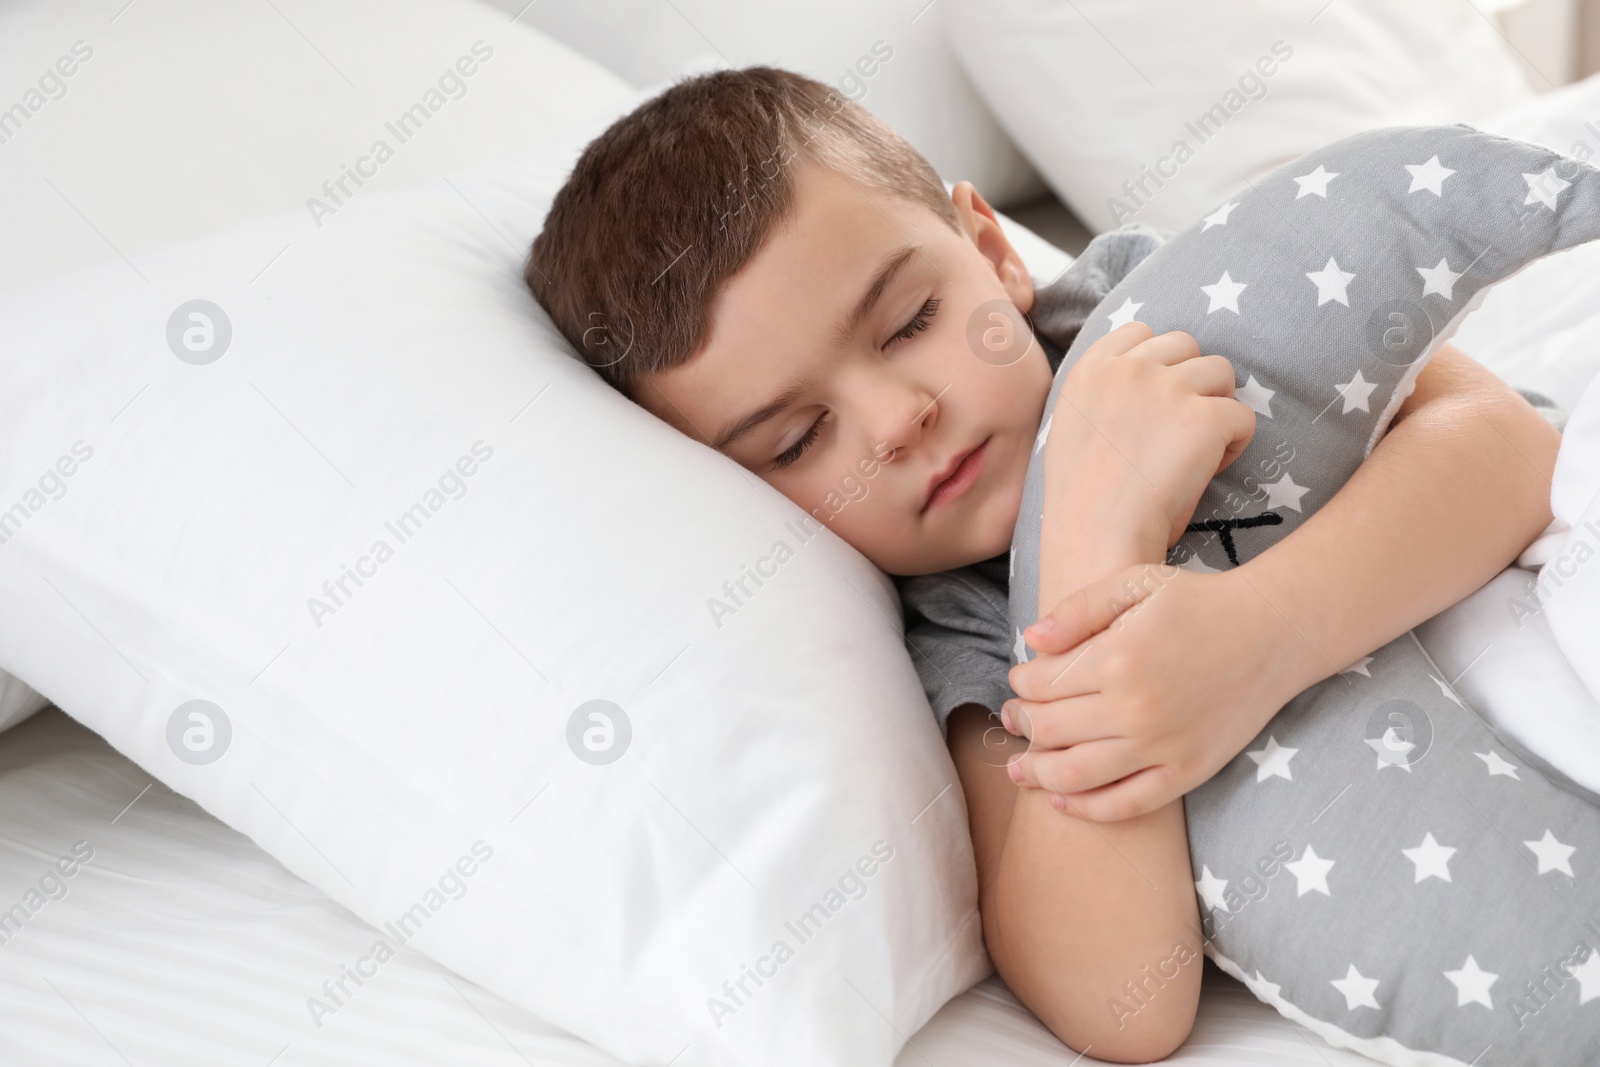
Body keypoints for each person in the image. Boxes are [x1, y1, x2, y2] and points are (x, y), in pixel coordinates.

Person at [524, 66, 1560, 1063]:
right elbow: (1121, 1000)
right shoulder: (962, 635)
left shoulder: (1163, 314)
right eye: (796, 441)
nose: (895, 420)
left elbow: (1512, 448)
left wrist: (1265, 633)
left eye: (910, 322)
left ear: (990, 249)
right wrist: (1086, 547)